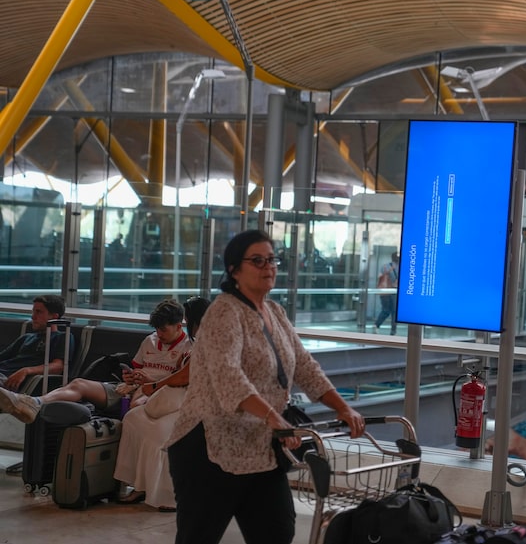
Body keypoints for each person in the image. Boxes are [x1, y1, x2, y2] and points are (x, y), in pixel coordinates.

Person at [166, 229, 365, 544]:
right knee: (198, 536)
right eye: (257, 261)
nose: (268, 267)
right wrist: (273, 415)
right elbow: (228, 375)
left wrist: (343, 407)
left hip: (260, 447)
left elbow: (304, 365)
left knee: (276, 533)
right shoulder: (224, 311)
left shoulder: (275, 312)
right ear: (234, 270)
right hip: (208, 447)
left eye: (272, 260)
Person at [0, 299, 191, 425]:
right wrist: (129, 376)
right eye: (157, 329)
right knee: (79, 384)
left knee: (137, 405)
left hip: (158, 392)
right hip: (130, 389)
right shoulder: (150, 340)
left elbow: (182, 382)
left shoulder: (188, 347)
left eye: (164, 330)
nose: (159, 334)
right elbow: (134, 370)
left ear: (178, 325)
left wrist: (150, 380)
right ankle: (35, 403)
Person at [114, 296, 210, 512]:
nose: (185, 322)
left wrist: (154, 386)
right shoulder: (198, 341)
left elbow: (185, 376)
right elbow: (181, 373)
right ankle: (139, 485)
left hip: (195, 404)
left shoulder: (210, 340)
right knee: (133, 419)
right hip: (177, 399)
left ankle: (170, 495)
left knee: (158, 434)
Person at [0, 295, 74, 391]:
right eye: (33, 311)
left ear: (54, 317)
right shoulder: (26, 338)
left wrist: (26, 370)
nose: (33, 316)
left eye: (39, 312)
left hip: (9, 379)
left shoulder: (62, 337)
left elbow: (58, 367)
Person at [373, 251, 399, 335]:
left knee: (385, 310)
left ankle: (377, 324)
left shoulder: (385, 266)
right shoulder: (401, 267)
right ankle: (393, 330)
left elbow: (379, 277)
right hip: (394, 291)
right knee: (394, 312)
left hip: (385, 291)